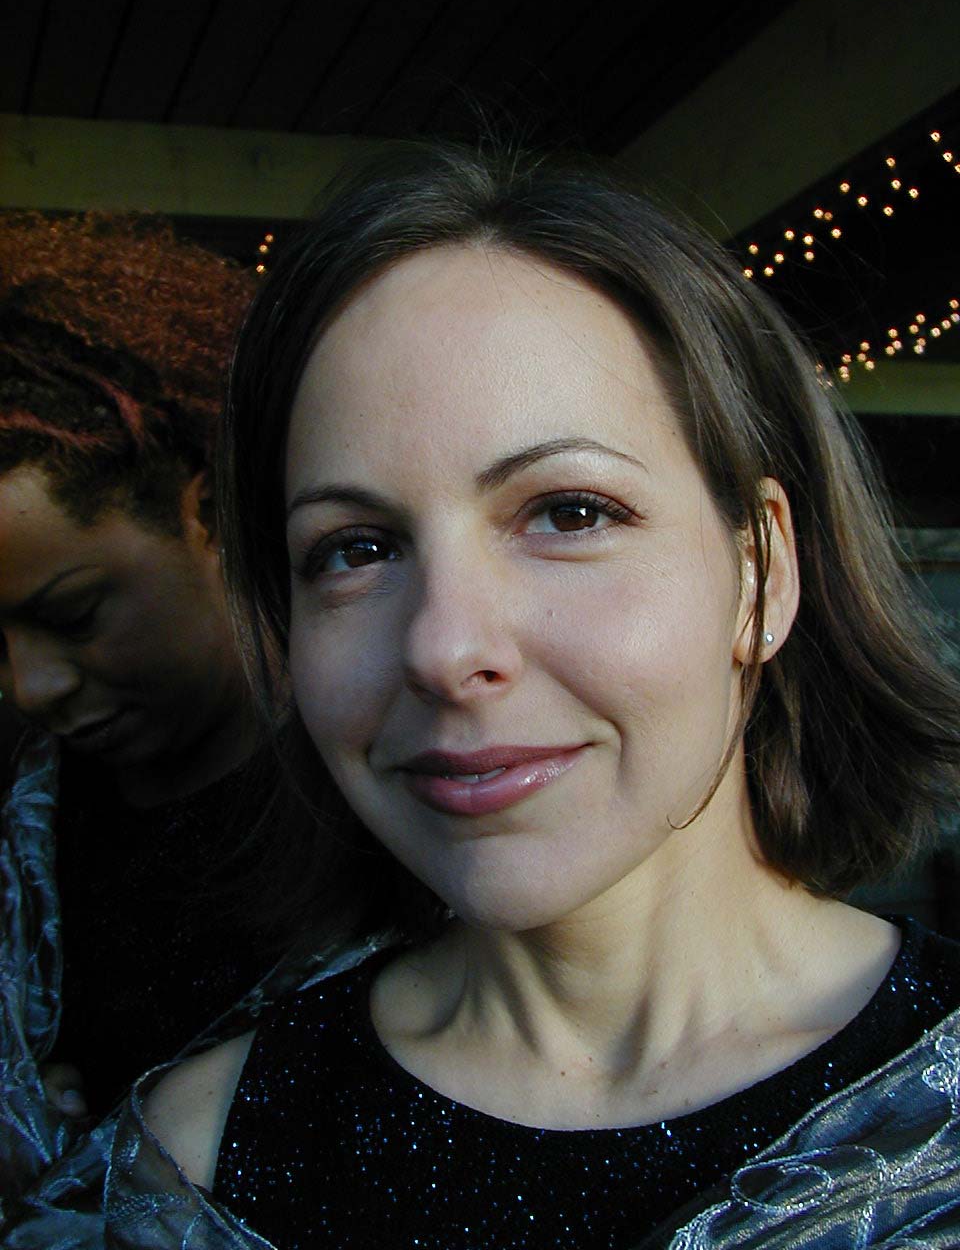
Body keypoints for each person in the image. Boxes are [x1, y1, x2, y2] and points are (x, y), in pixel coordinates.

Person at [130, 143, 960, 1250]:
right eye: (355, 548)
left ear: (760, 571)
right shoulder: (201, 1164)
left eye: (570, 513)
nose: (443, 647)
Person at [0, 211, 298, 1206]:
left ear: (207, 513)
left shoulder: (391, 800)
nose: (30, 687)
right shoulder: (22, 818)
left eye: (73, 615)